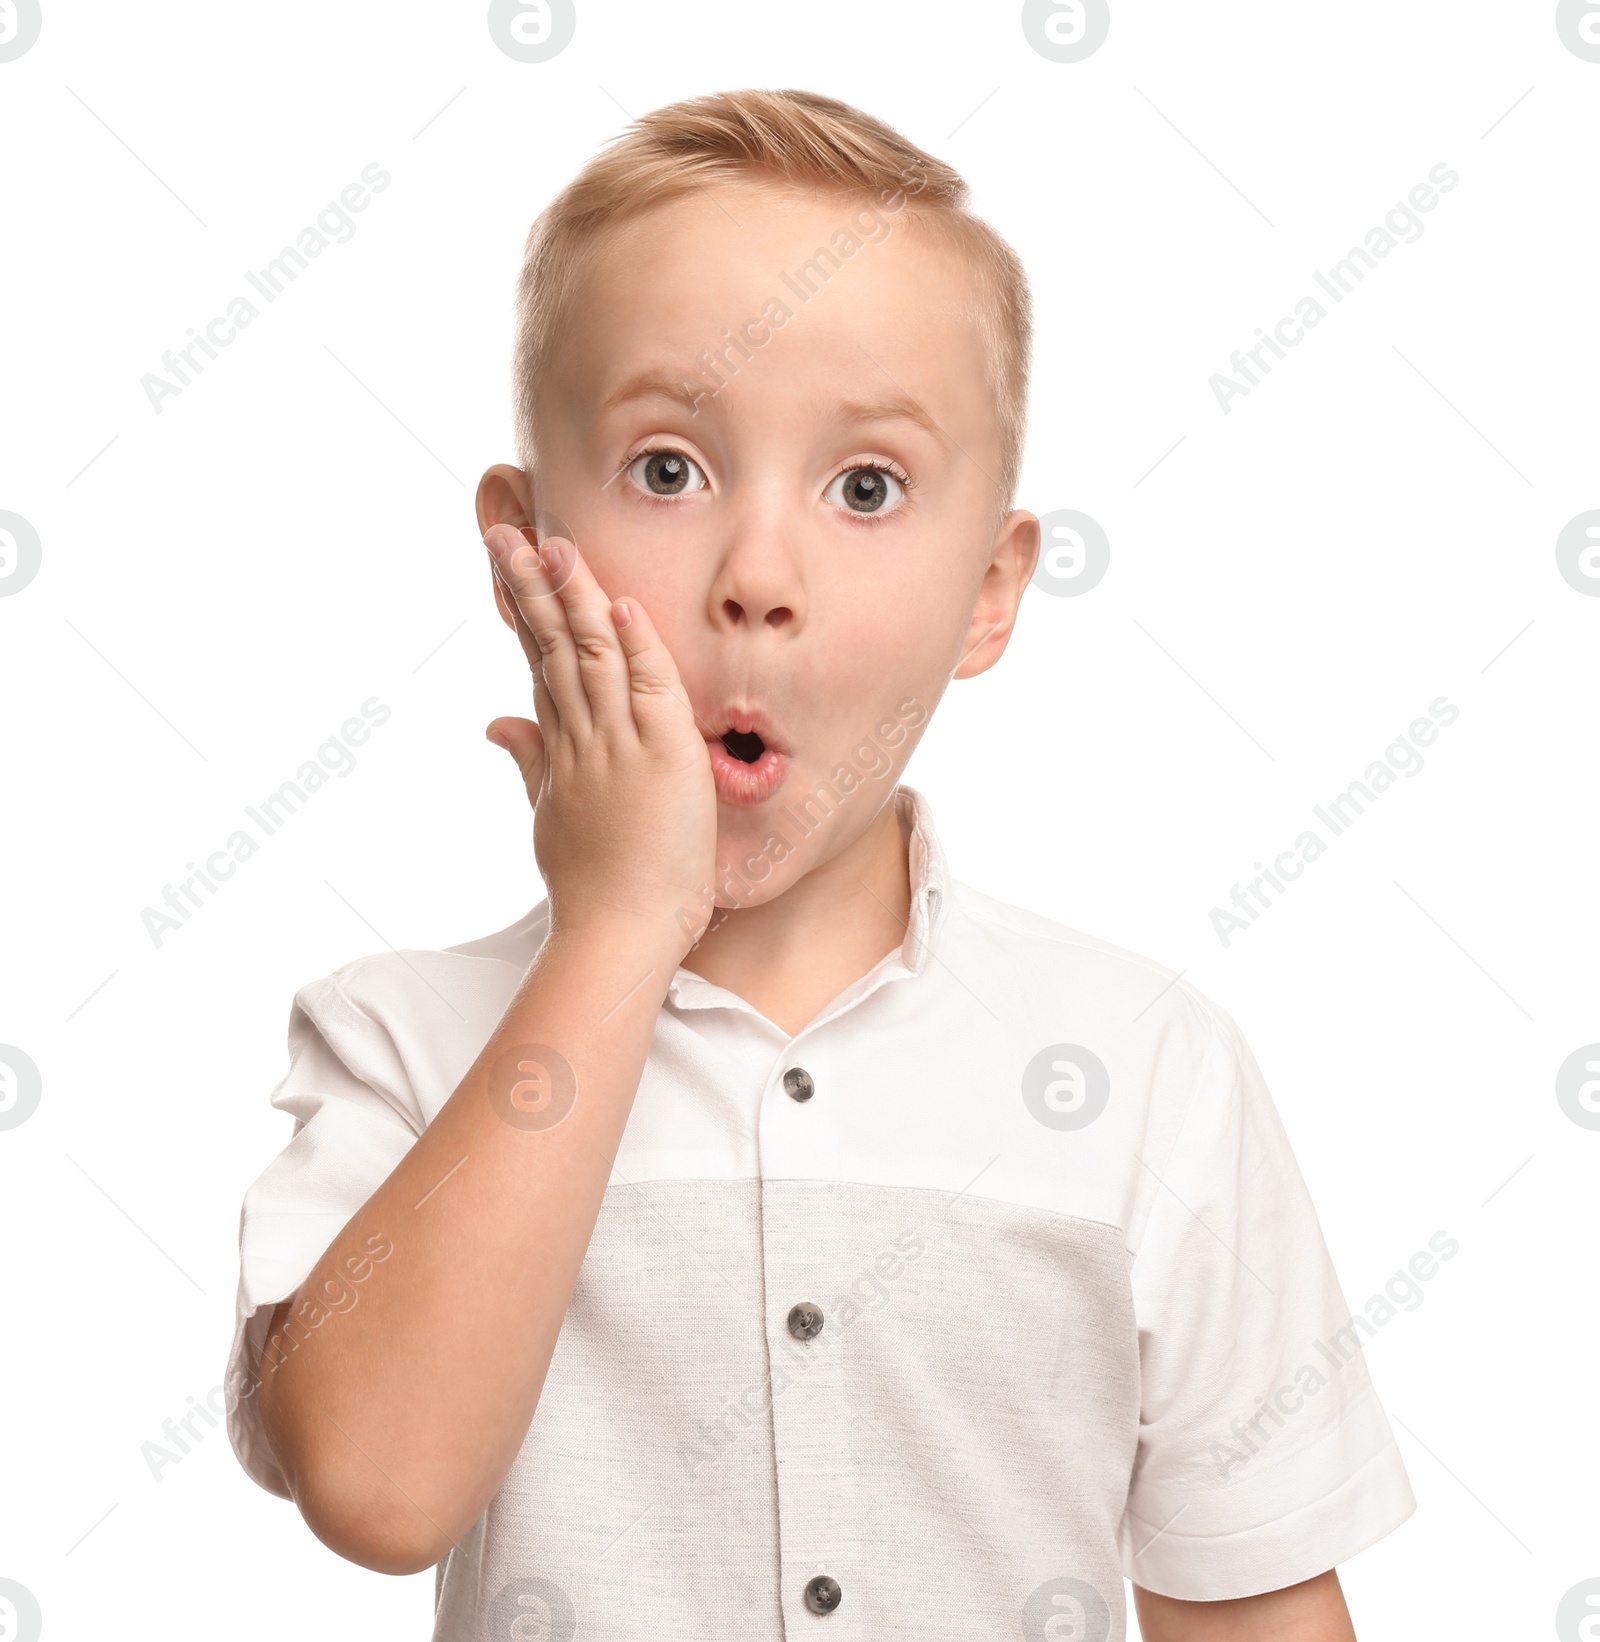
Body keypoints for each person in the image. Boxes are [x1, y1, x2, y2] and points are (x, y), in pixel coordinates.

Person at [224, 88, 1414, 1641]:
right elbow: (378, 1485)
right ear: (523, 553)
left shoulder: (1144, 1068)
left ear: (989, 592)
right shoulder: (400, 1041)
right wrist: (618, 931)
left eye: (865, 489)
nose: (758, 579)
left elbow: (1252, 1609)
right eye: (668, 468)